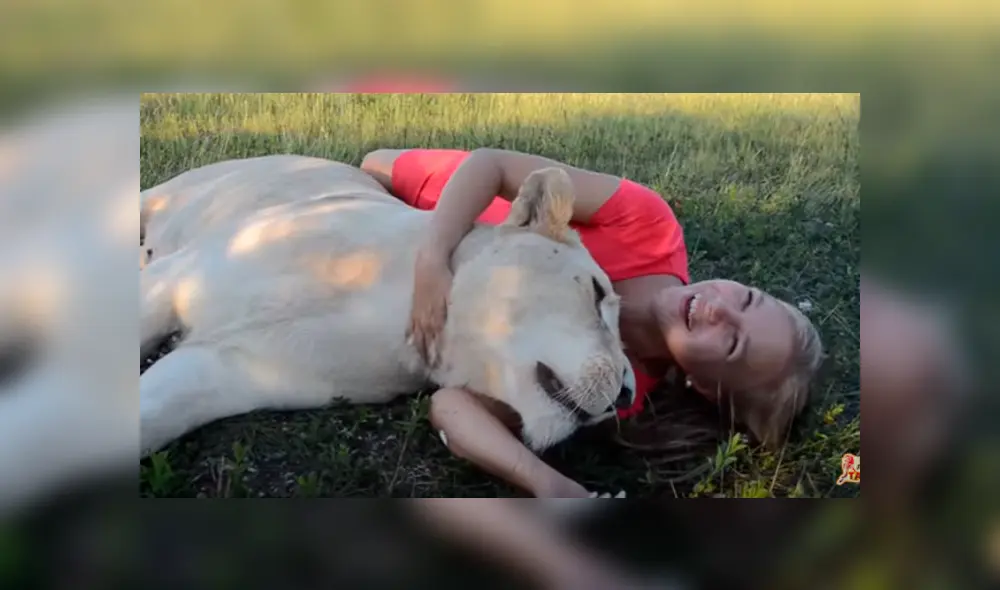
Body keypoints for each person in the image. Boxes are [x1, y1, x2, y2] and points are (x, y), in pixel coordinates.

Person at [360, 147, 825, 498]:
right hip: (448, 201)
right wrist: (432, 257)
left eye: (732, 343)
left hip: (416, 277)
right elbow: (491, 165)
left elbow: (453, 405)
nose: (720, 310)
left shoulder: (612, 389)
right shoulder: (649, 225)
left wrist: (548, 485)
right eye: (747, 298)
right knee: (371, 165)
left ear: (703, 386)